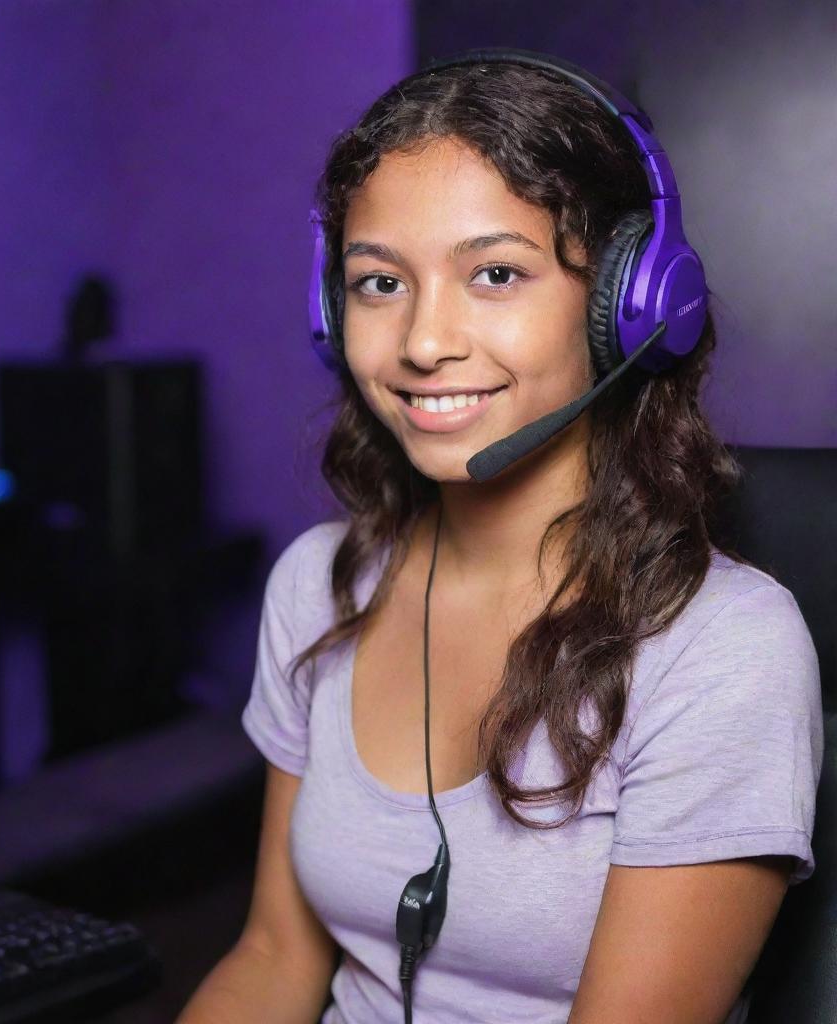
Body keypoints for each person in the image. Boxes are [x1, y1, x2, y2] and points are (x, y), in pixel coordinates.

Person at [176, 52, 823, 1024]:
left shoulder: (724, 648)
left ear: (631, 305)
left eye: (494, 273)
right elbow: (272, 957)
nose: (423, 340)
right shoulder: (320, 585)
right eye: (378, 282)